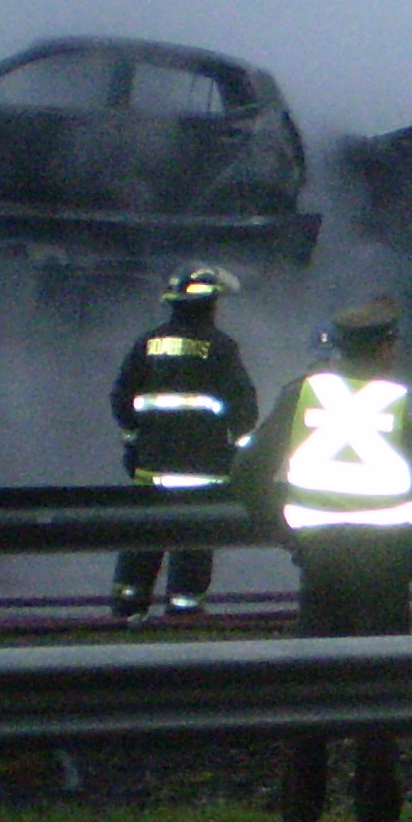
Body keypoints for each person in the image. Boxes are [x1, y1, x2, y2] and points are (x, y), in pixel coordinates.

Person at [246, 293, 412, 822]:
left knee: (313, 689)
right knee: (380, 692)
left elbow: (246, 474)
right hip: (387, 569)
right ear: (385, 348)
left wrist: (283, 532)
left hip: (319, 563)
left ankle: (298, 820)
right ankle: (376, 818)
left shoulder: (300, 394)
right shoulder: (406, 403)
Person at [110, 265, 260, 623]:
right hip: (202, 470)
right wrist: (233, 450)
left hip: (151, 468)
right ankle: (184, 612)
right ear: (212, 305)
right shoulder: (221, 349)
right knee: (193, 541)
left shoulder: (147, 344)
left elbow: (121, 397)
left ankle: (127, 609)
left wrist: (134, 441)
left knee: (143, 538)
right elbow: (245, 408)